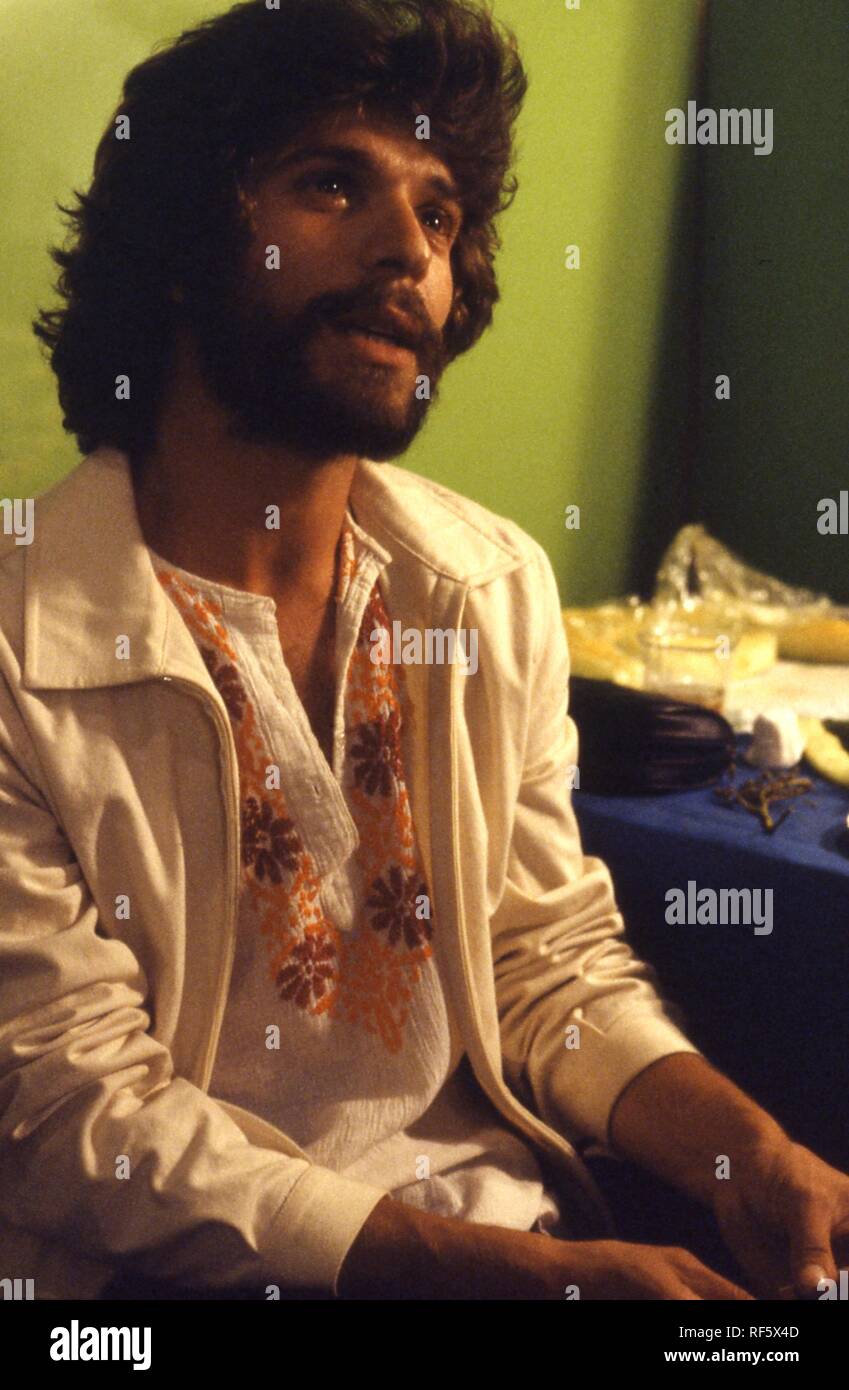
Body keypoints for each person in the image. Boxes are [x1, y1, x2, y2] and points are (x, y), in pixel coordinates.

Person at [2, 0, 846, 1302]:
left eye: (441, 213)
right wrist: (500, 1276)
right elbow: (74, 1118)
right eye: (334, 181)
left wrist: (751, 1153)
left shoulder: (488, 583)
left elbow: (543, 963)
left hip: (511, 1229)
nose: (409, 249)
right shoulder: (20, 633)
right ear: (178, 242)